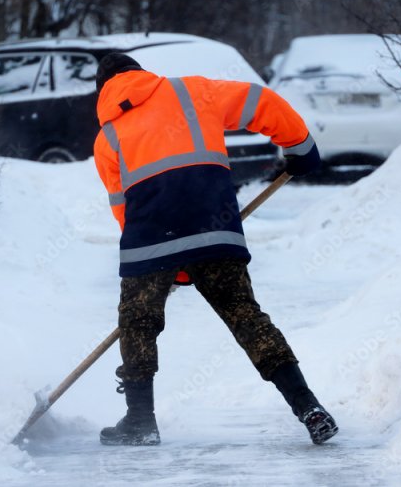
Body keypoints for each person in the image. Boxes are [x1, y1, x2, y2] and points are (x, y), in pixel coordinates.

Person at [92, 52, 337, 446]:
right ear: (141, 73)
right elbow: (261, 102)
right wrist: (300, 147)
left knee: (137, 323)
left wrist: (167, 264)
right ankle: (308, 406)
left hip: (150, 240)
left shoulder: (107, 138)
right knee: (246, 316)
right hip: (214, 228)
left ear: (103, 91)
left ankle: (140, 422)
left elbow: (124, 211)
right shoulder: (194, 92)